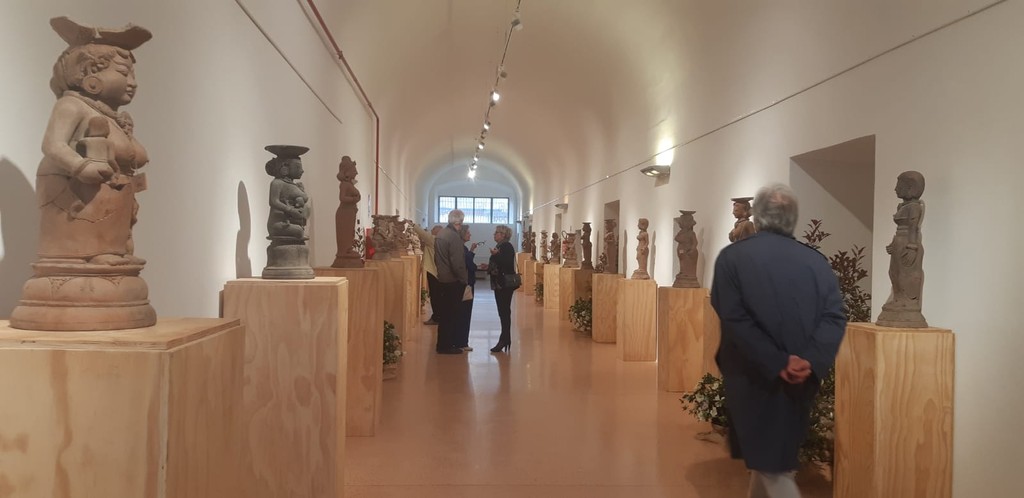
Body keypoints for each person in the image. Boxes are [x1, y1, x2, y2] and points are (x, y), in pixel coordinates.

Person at [711, 183, 846, 498]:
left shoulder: (732, 257)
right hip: (800, 380)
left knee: (771, 465)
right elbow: (834, 317)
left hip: (752, 375)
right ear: (793, 219)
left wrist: (779, 362)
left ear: (757, 216)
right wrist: (809, 360)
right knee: (770, 458)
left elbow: (734, 318)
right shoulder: (816, 262)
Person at [433, 209, 469, 354]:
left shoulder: (441, 234)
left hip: (442, 278)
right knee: (451, 314)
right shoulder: (453, 237)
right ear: (459, 222)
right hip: (453, 280)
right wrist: (463, 279)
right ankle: (446, 345)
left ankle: (443, 343)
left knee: (445, 314)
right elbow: (457, 262)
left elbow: (437, 258)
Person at [488, 225, 517, 353]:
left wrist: (496, 255)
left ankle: (504, 339)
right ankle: (505, 338)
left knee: (504, 311)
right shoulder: (500, 246)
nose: (494, 234)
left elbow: (506, 263)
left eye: (497, 233)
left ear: (503, 235)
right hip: (499, 284)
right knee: (502, 312)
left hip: (504, 285)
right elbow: (498, 265)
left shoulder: (506, 246)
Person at [412, 224, 444, 324]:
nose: (431, 231)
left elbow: (422, 234)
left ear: (437, 232)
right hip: (437, 271)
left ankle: (436, 317)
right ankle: (439, 316)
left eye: (433, 229)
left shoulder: (434, 239)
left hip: (433, 271)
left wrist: (413, 224)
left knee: (435, 295)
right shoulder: (440, 241)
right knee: (437, 295)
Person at [456, 224, 480, 351]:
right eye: (468, 233)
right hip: (465, 284)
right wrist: (476, 266)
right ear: (462, 234)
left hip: (463, 283)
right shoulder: (461, 248)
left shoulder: (461, 248)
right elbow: (469, 264)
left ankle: (461, 341)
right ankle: (462, 342)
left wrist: (471, 251)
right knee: (464, 313)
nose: (470, 234)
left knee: (463, 313)